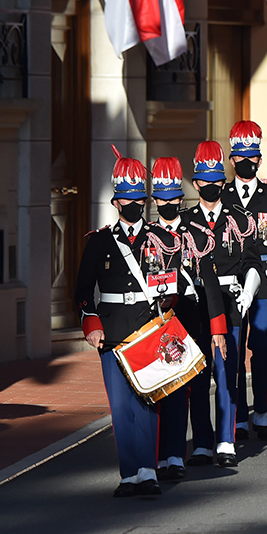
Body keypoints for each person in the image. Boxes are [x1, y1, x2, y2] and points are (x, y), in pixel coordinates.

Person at [74, 155, 180, 497]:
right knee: (120, 406)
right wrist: (90, 323)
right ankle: (129, 473)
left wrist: (168, 299)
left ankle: (148, 471)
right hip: (113, 331)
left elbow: (172, 283)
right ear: (115, 201)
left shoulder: (160, 238)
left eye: (139, 199)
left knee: (147, 402)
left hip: (148, 329)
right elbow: (81, 292)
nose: (133, 205)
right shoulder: (99, 242)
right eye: (127, 199)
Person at [184, 141, 262, 467]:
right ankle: (202, 441)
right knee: (198, 374)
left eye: (218, 180)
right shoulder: (186, 221)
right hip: (196, 305)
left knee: (227, 371)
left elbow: (253, 262)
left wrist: (250, 290)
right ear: (196, 182)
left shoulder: (238, 219)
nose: (213, 186)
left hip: (231, 303)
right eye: (206, 181)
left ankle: (226, 439)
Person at [150, 157, 226, 475]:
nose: (169, 205)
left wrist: (217, 329)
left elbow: (209, 283)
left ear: (182, 198)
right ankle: (170, 453)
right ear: (155, 200)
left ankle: (202, 443)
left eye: (174, 199)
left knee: (198, 383)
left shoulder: (196, 235)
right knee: (169, 388)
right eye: (163, 200)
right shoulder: (147, 237)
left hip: (193, 317)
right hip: (161, 321)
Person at [223, 121, 267, 441]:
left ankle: (262, 412)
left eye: (253, 157)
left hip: (264, 282)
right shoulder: (221, 196)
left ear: (261, 160)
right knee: (234, 347)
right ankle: (238, 416)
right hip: (232, 284)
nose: (247, 162)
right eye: (241, 157)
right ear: (232, 159)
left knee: (263, 346)